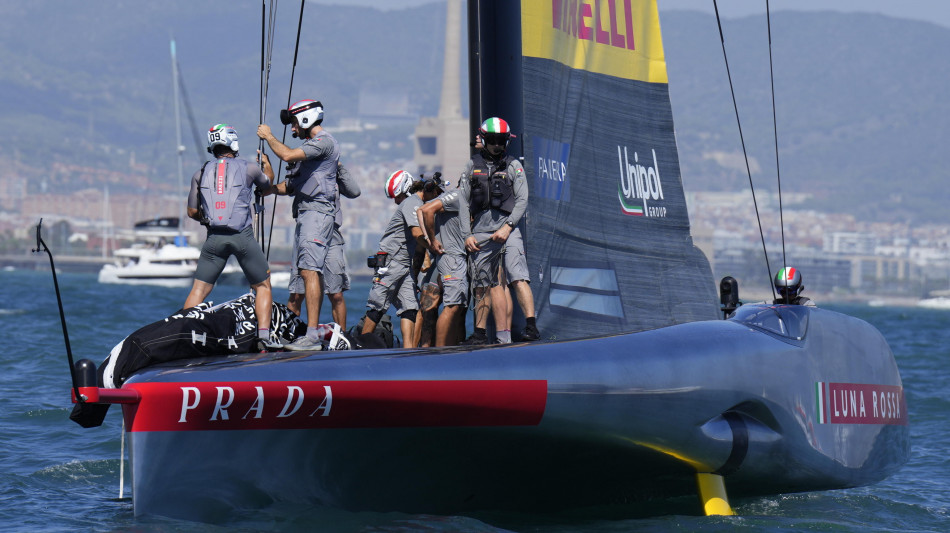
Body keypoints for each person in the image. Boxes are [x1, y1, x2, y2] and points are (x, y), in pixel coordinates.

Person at [183, 124, 280, 350]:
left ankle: (182, 331)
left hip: (213, 239)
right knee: (263, 286)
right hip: (242, 237)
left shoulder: (200, 172)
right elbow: (267, 187)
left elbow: (191, 212)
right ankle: (263, 337)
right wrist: (267, 165)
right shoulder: (250, 168)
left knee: (199, 290)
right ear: (233, 143)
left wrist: (208, 219)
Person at [257, 99, 340, 351]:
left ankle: (313, 336)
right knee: (299, 279)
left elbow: (287, 154)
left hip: (317, 214)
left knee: (309, 271)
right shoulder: (309, 151)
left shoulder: (324, 142)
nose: (293, 129)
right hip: (304, 215)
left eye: (294, 123)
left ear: (306, 119)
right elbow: (290, 187)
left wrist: (268, 136)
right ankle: (298, 333)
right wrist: (268, 187)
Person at [457, 117, 530, 345]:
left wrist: (508, 228)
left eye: (501, 140)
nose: (497, 145)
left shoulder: (513, 166)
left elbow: (523, 199)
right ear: (485, 139)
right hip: (480, 232)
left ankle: (530, 326)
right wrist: (467, 234)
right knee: (482, 284)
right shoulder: (472, 165)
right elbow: (462, 202)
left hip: (506, 229)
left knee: (517, 276)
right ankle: (480, 334)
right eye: (493, 140)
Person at [360, 170, 439, 348]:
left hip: (404, 263)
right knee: (377, 306)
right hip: (392, 261)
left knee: (410, 308)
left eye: (398, 196)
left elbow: (417, 238)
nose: (396, 201)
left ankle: (408, 349)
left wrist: (426, 253)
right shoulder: (412, 203)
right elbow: (416, 233)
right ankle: (362, 344)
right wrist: (435, 247)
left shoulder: (414, 202)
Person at [287, 161, 360, 329]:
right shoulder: (303, 167)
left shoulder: (332, 171)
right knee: (297, 294)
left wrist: (339, 166)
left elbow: (355, 191)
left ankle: (341, 338)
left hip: (331, 233)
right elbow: (289, 188)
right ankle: (289, 334)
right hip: (307, 230)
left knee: (336, 294)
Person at [417, 180, 469, 346]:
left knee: (456, 307)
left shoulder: (454, 198)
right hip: (451, 257)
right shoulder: (457, 196)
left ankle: (446, 349)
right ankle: (441, 352)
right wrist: (431, 240)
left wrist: (430, 240)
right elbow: (424, 210)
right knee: (452, 306)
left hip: (448, 258)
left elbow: (421, 210)